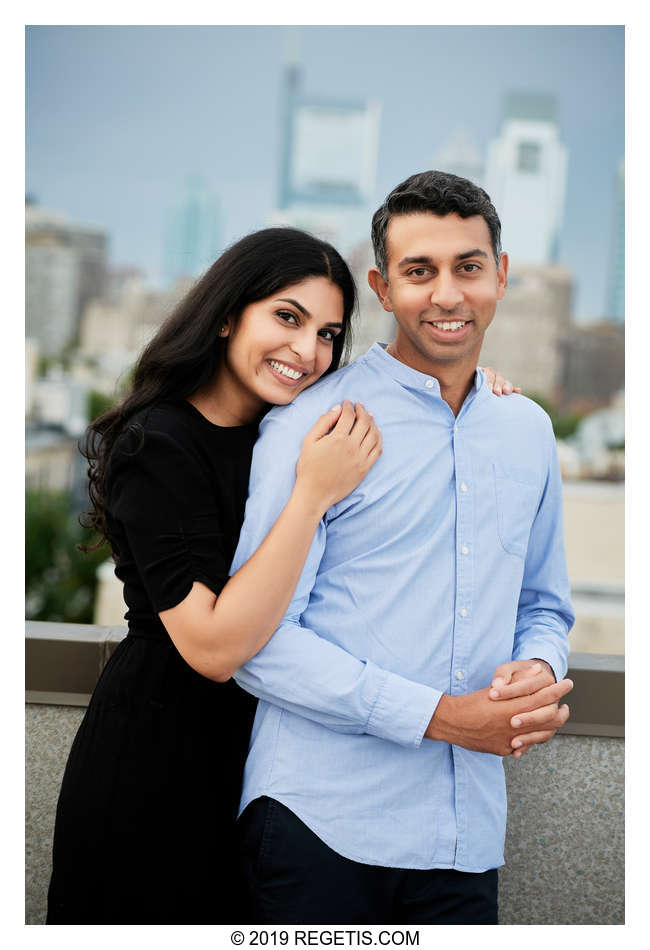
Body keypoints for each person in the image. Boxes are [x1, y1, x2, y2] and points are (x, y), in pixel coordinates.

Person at [46, 225, 516, 925]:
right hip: (158, 756)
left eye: (328, 333)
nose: (307, 351)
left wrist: (473, 391)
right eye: (287, 318)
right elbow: (211, 648)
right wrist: (310, 496)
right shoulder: (159, 443)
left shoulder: (284, 429)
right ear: (230, 312)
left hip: (263, 764)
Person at [232, 172, 575, 925]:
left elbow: (546, 605)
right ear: (383, 288)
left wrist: (540, 671)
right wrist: (444, 717)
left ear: (502, 275)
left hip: (465, 838)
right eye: (420, 272)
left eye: (468, 266)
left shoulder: (528, 430)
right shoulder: (311, 426)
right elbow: (258, 647)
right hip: (318, 827)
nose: (447, 294)